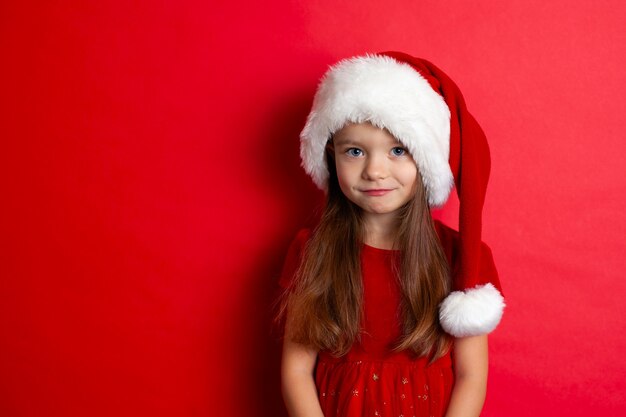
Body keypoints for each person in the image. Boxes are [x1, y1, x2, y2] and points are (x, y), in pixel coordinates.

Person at [273, 51, 506, 417]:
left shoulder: (461, 256)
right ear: (331, 155)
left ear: (427, 160)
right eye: (355, 151)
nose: (375, 171)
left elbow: (471, 375)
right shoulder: (312, 251)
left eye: (398, 150)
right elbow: (297, 369)